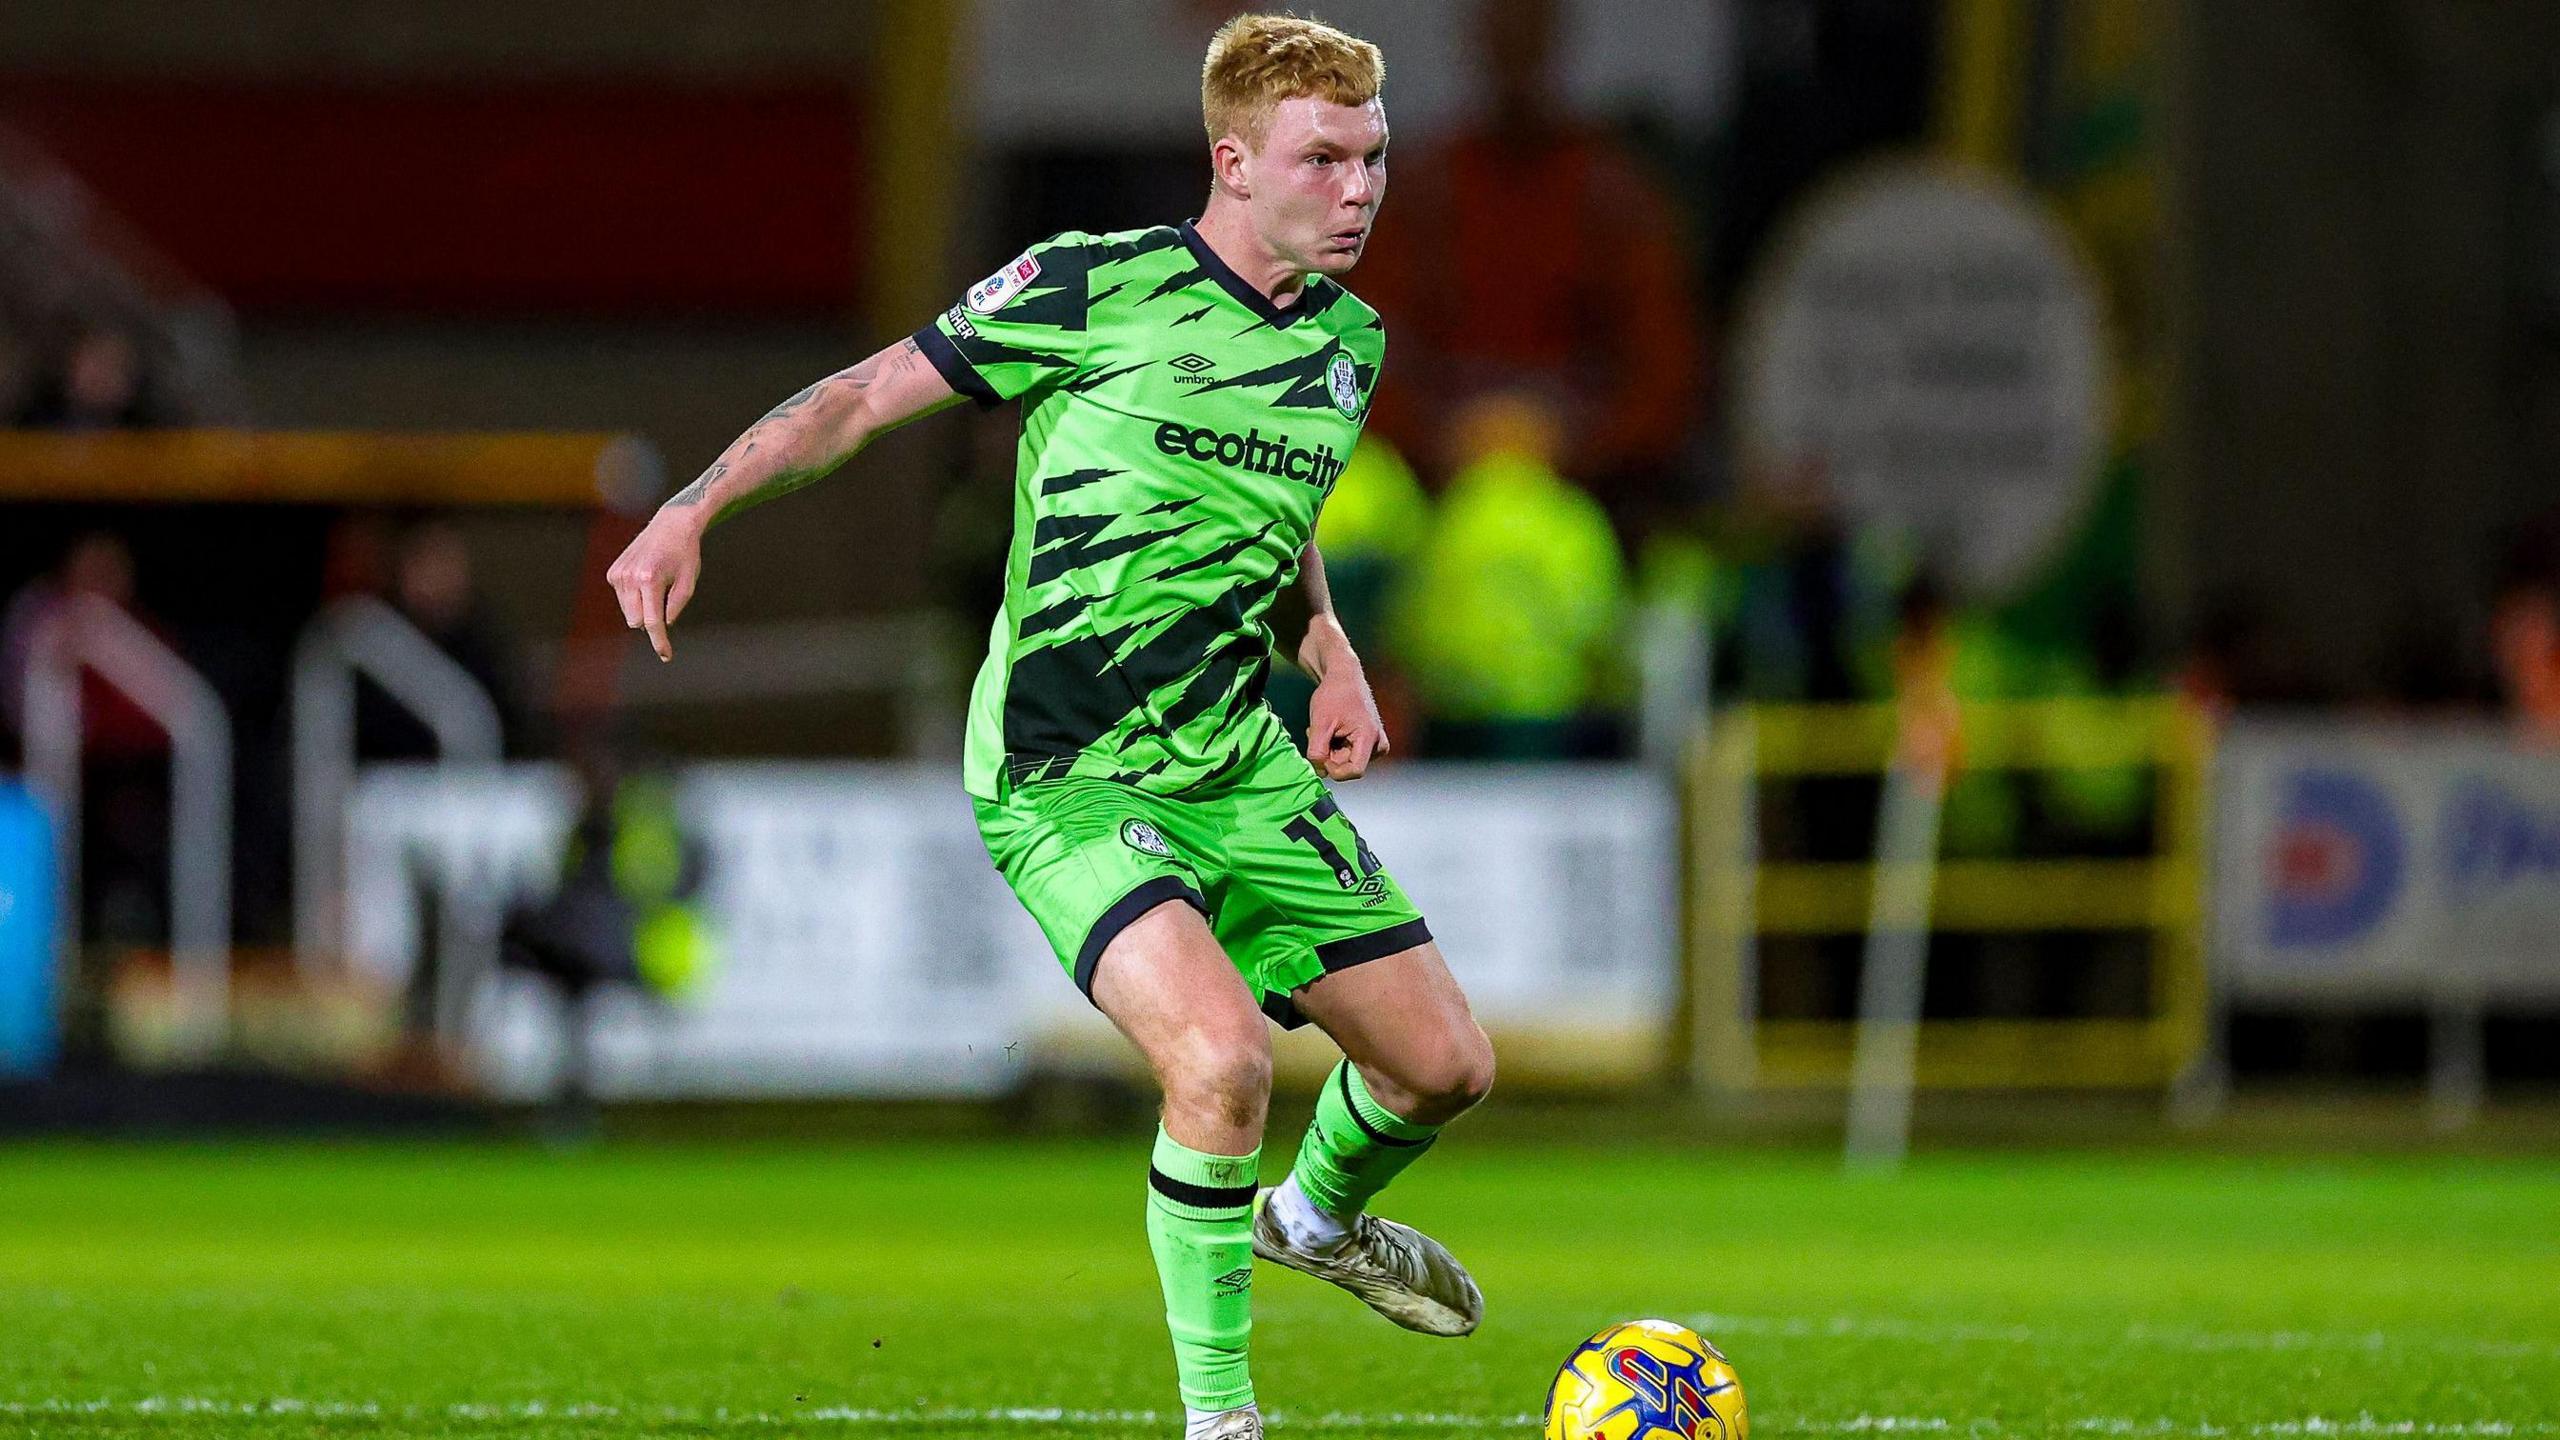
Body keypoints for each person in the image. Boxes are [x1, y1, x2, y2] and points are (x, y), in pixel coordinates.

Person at [603, 17, 1492, 1439]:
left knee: (1445, 1065)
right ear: (1234, 162)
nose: (1360, 188)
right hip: (1065, 771)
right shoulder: (1093, 285)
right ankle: (1222, 1420)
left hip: (1237, 762)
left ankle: (1314, 1223)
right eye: (1323, 158)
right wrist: (695, 502)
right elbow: (863, 397)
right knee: (1222, 1061)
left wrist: (1323, 644)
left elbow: (1274, 514)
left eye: (1374, 157)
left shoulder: (1348, 345)